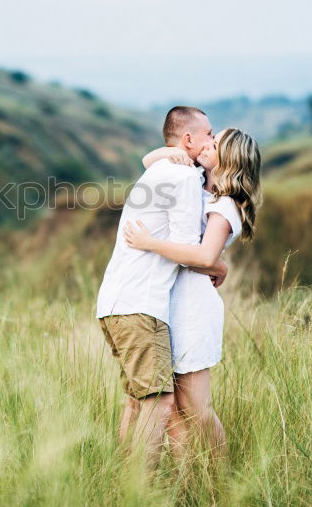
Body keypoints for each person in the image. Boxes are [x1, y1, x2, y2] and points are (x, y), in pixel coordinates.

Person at [123, 128, 262, 458]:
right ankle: (187, 482)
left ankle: (221, 481)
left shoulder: (225, 206)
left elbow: (202, 256)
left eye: (214, 144)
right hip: (170, 304)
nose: (205, 145)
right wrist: (176, 155)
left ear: (227, 160)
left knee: (195, 408)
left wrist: (150, 244)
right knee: (169, 408)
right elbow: (148, 160)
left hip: (193, 311)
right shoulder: (196, 181)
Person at [96, 106, 221, 469]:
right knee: (160, 404)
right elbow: (189, 253)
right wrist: (218, 263)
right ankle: (139, 497)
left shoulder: (159, 170)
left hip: (114, 304)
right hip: (141, 306)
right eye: (208, 133)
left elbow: (151, 158)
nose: (212, 139)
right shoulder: (182, 180)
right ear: (188, 140)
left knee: (137, 402)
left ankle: (122, 487)